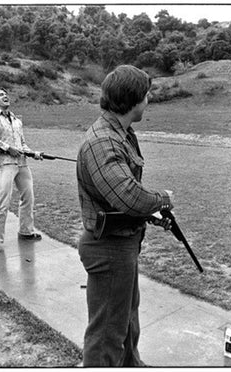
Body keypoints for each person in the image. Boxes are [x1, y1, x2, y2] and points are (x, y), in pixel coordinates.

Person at [76, 65, 174, 366]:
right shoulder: (103, 141)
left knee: (127, 320)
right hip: (109, 248)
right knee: (107, 334)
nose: (149, 99)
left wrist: (151, 214)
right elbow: (128, 196)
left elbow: (121, 198)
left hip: (121, 244)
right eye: (146, 94)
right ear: (132, 100)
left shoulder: (120, 134)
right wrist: (163, 201)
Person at [0, 87, 43, 254]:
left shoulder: (16, 120)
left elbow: (22, 144)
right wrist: (7, 148)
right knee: (3, 201)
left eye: (6, 94)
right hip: (5, 163)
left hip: (21, 162)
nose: (5, 96)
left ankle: (26, 231)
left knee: (28, 196)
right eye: (1, 95)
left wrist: (33, 153)